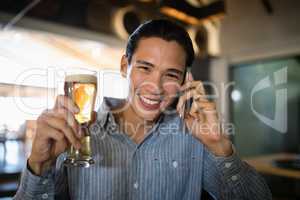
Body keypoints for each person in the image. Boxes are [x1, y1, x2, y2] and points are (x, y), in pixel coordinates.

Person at [14, 19, 272, 200]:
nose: (155, 87)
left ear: (185, 81)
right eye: (145, 68)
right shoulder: (73, 135)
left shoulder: (196, 140)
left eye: (171, 74)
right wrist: (40, 164)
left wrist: (221, 148)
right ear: (125, 66)